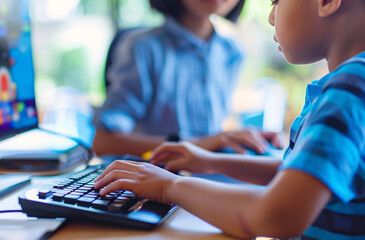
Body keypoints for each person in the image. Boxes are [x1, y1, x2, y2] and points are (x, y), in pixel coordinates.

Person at [94, 0, 365, 238]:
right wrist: (210, 160)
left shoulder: (349, 88)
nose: (271, 17)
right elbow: (298, 172)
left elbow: (279, 214)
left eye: (275, 0)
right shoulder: (350, 83)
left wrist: (169, 186)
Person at [92, 0, 284, 156]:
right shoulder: (142, 49)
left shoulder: (232, 52)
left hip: (204, 179)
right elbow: (104, 142)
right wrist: (200, 144)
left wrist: (238, 139)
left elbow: (212, 131)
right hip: (153, 183)